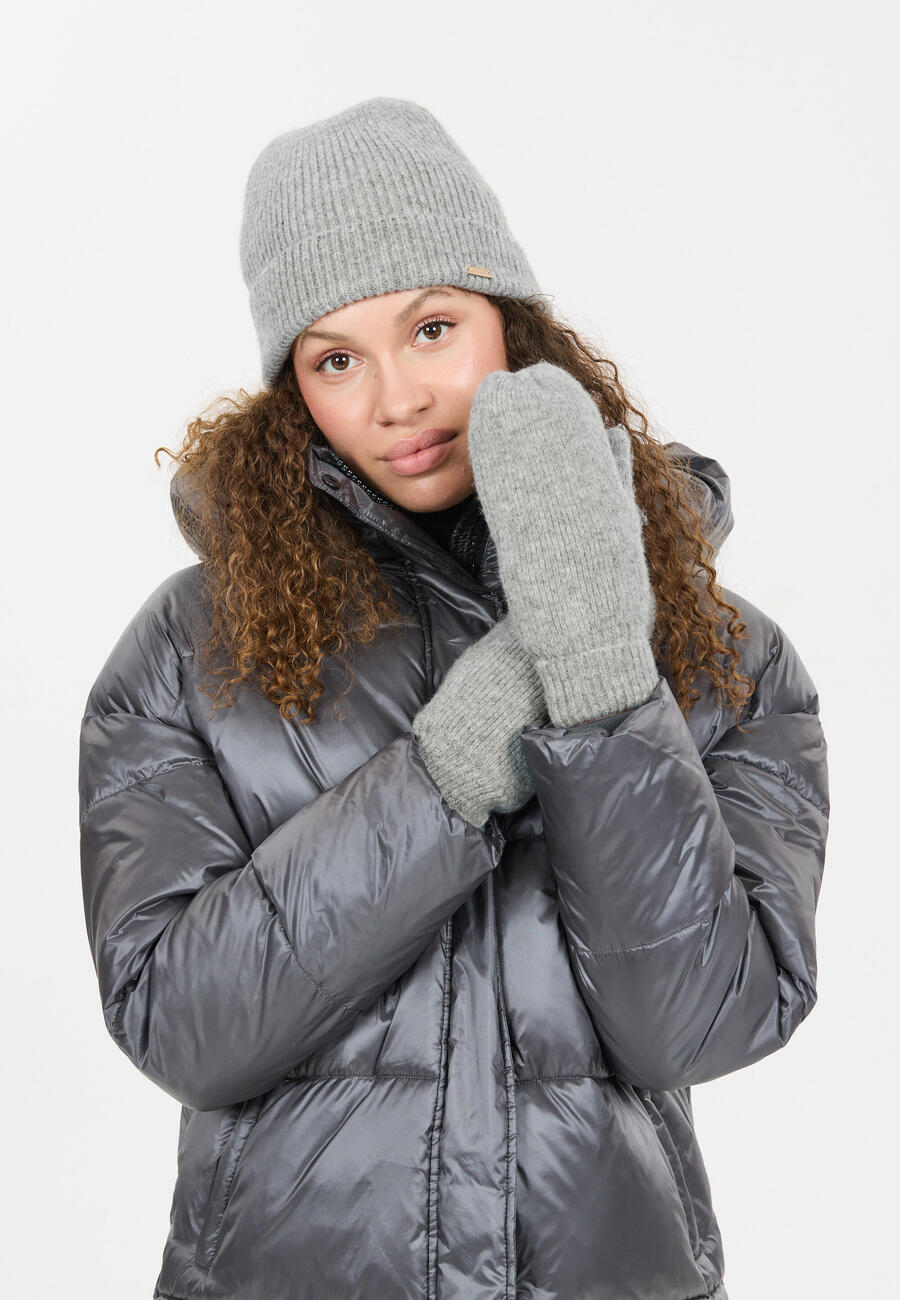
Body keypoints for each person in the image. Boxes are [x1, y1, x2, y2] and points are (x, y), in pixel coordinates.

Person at [77, 97, 830, 1300]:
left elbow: (699, 1022)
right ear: (292, 394)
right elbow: (180, 1025)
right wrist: (454, 770)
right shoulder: (192, 650)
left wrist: (600, 681)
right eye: (335, 359)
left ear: (513, 327)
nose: (396, 398)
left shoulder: (719, 655)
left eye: (432, 327)